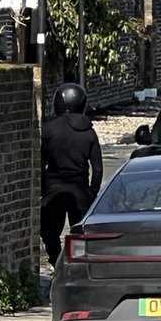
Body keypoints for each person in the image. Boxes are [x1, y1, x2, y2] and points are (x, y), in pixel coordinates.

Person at [40, 83, 103, 267]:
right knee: (81, 235)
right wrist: (91, 192)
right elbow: (97, 169)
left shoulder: (48, 130)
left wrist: (44, 189)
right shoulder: (89, 133)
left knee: (49, 232)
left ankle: (57, 263)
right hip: (81, 191)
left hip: (54, 189)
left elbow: (41, 163)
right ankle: (77, 266)